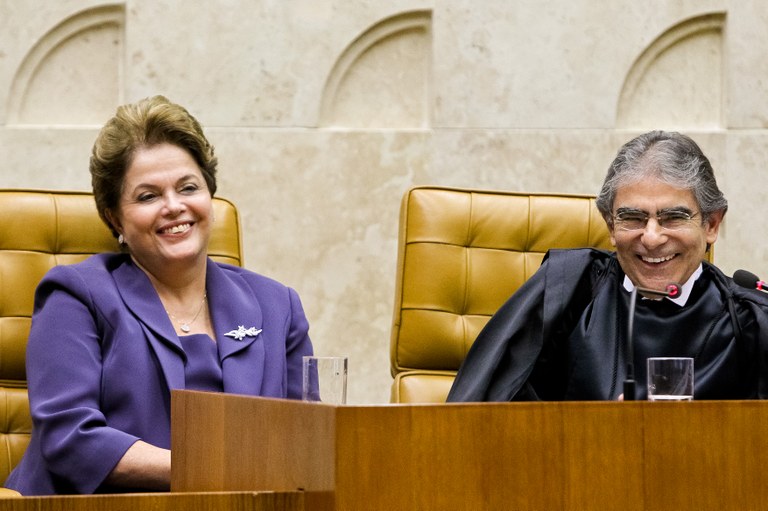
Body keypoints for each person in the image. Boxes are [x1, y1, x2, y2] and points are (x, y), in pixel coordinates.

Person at [4, 96, 314, 495]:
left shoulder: (277, 305)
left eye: (188, 188)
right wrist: (218, 468)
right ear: (115, 218)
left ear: (209, 196)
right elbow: (71, 438)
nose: (174, 206)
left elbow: (309, 439)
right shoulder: (76, 295)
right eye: (148, 196)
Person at [447, 130, 768, 402]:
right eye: (633, 218)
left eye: (673, 217)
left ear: (711, 224)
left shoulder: (750, 320)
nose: (651, 237)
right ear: (611, 226)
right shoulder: (568, 291)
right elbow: (481, 413)